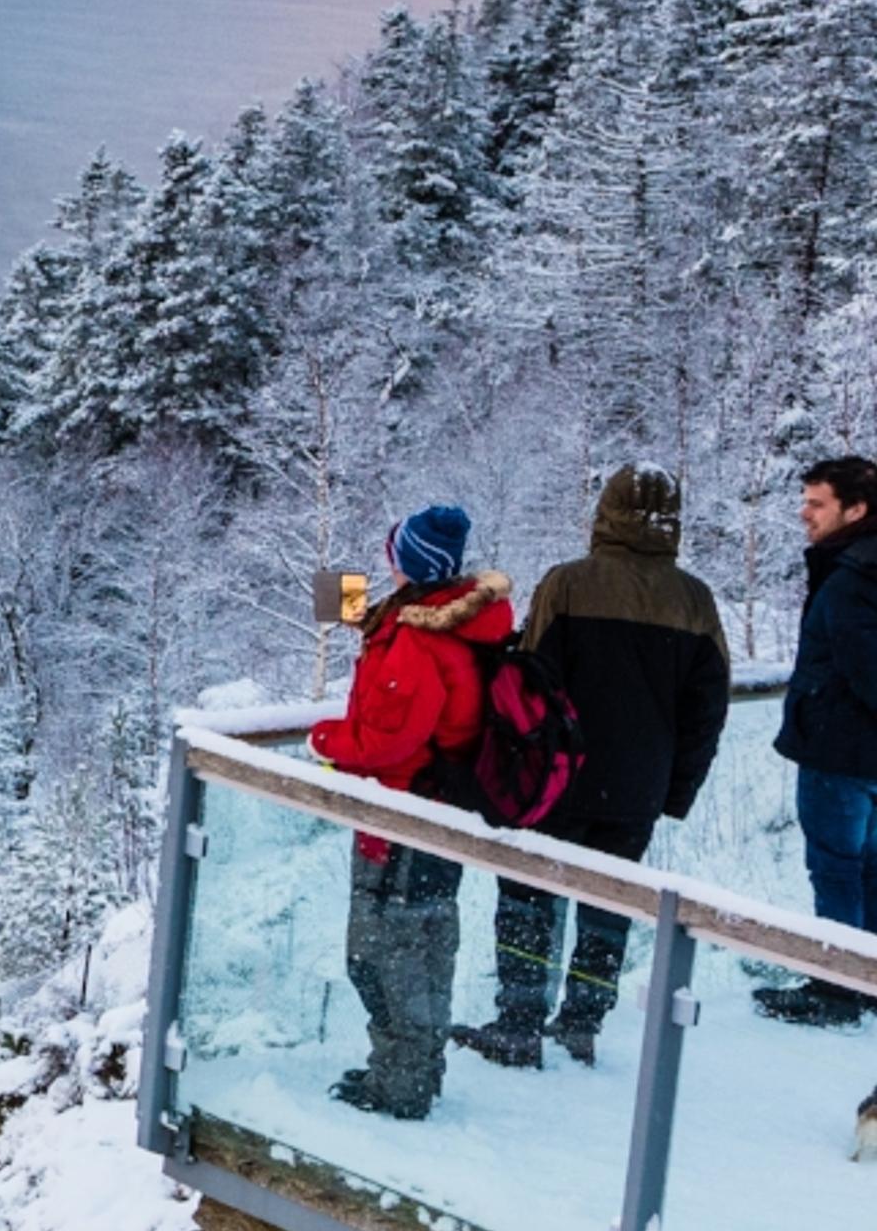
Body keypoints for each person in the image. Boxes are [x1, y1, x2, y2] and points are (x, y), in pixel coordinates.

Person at [451, 465, 729, 1070]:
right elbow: (707, 708)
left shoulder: (568, 583)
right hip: (638, 788)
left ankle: (519, 1022)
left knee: (528, 895)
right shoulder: (695, 600)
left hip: (558, 778)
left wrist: (510, 774)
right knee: (609, 905)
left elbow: (529, 682)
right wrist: (674, 790)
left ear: (605, 512)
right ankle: (581, 1024)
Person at [309, 504, 513, 1120]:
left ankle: (399, 1087)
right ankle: (414, 1071)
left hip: (401, 820)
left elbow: (387, 739)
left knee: (380, 956)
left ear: (412, 565)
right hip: (438, 815)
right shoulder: (456, 619)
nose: (386, 564)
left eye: (394, 555)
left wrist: (324, 740)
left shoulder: (419, 641)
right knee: (425, 947)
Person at [757, 456, 877, 1027]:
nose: (804, 513)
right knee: (867, 868)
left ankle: (837, 987)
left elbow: (866, 668)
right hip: (855, 748)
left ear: (855, 510)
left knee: (836, 867)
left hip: (841, 750)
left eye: (816, 503)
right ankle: (863, 979)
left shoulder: (853, 577)